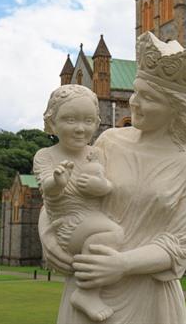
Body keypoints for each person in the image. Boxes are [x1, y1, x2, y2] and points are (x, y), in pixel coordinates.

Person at [39, 32, 186, 324]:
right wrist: (47, 237)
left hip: (149, 295)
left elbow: (181, 243)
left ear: (176, 106)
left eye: (148, 98)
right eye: (136, 92)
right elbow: (67, 194)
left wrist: (121, 264)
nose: (134, 103)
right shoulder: (109, 141)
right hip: (88, 288)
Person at [33, 85, 124, 322]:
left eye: (88, 121)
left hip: (92, 220)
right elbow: (46, 191)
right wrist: (57, 182)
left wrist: (101, 187)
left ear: (97, 123)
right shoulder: (45, 155)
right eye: (70, 120)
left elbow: (107, 186)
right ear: (52, 123)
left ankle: (89, 290)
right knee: (114, 233)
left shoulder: (96, 154)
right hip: (68, 224)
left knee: (108, 233)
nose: (80, 128)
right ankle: (87, 293)